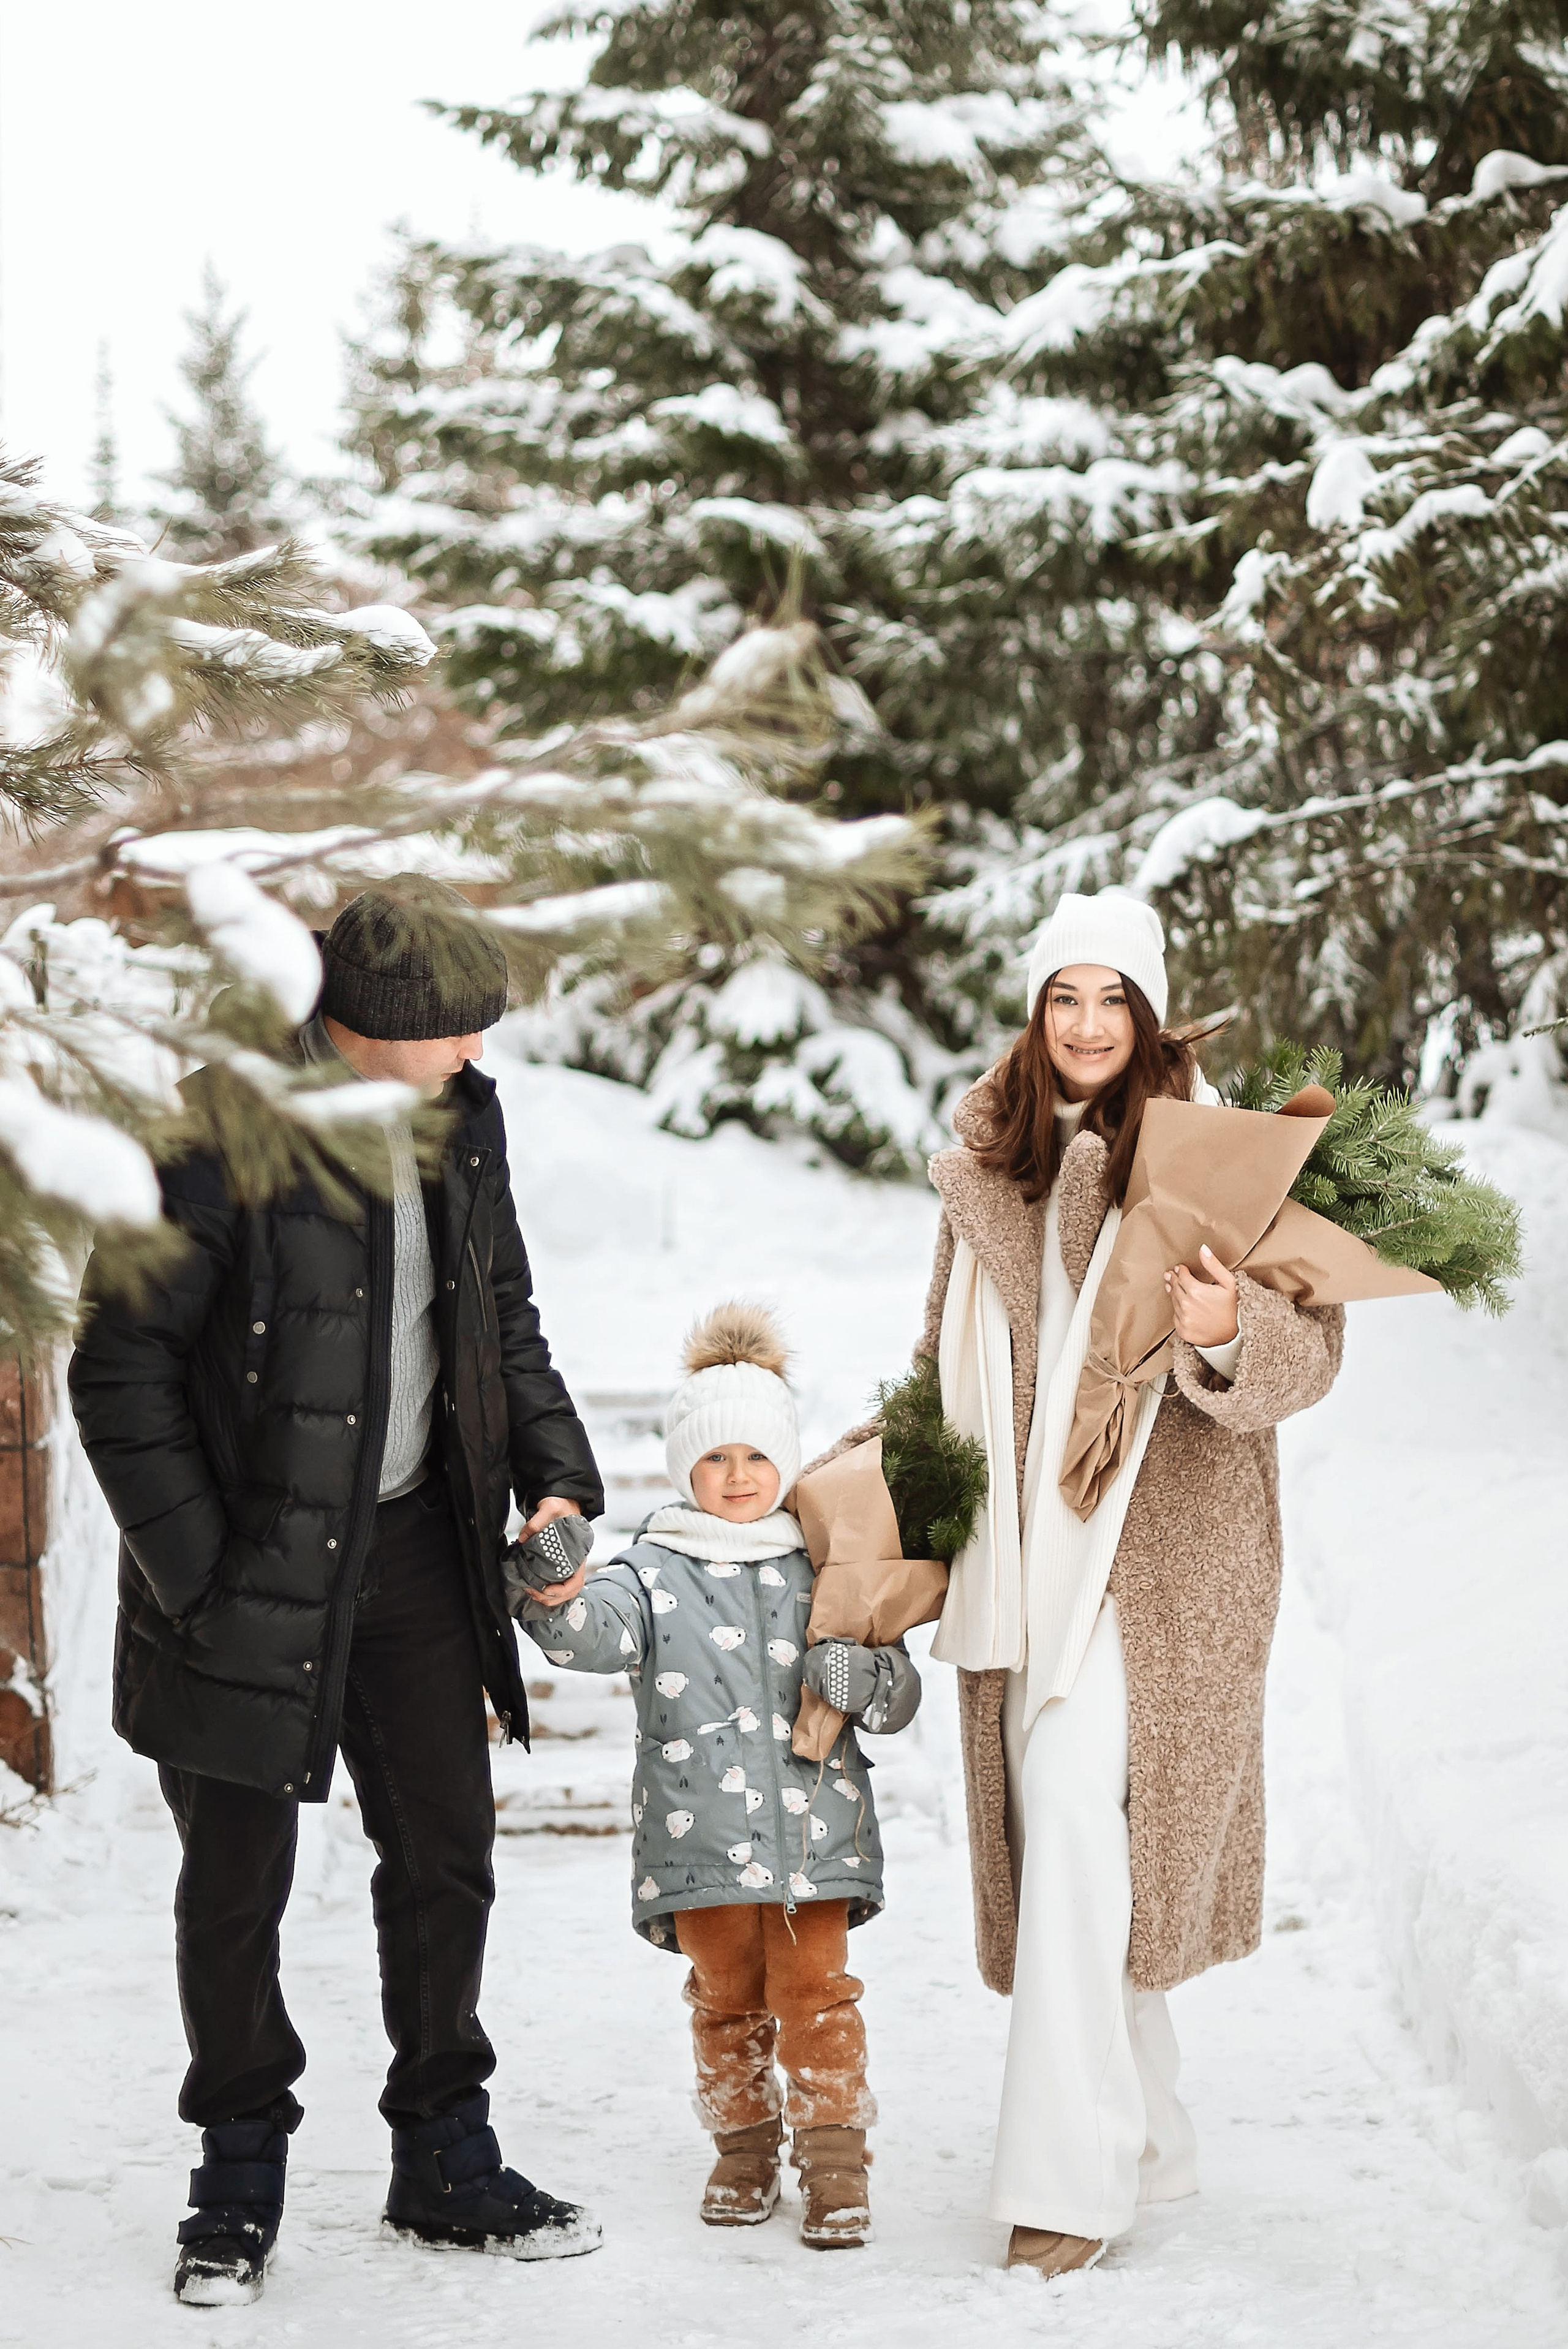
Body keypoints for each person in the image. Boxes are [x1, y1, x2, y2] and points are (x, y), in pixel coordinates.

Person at [68, 882, 606, 2306]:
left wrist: (555, 1474)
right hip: (242, 1570)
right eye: (460, 1022)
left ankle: (444, 2151)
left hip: (416, 1548)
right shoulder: (215, 1130)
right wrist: (199, 1577)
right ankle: (237, 2171)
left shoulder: (461, 1118)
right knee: (233, 1887)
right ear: (375, 1022)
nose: (481, 1047)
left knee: (445, 1853)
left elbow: (501, 1315)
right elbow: (117, 1372)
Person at [914, 890, 1344, 2276]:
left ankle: (1068, 2180)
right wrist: (888, 1478)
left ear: (1149, 1014)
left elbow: (1311, 1355)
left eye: (1113, 998)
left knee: (1072, 1818)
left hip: (1161, 1567)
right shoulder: (992, 1161)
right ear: (1036, 1012)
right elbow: (936, 1357)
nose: (1088, 1024)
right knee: (1076, 1848)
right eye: (1065, 996)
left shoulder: (1221, 1153)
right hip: (1026, 1560)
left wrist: (1228, 1329)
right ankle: (1150, 2135)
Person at [513, 1302, 921, 2250]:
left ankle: (835, 2160)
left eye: (757, 1456)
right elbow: (588, 1637)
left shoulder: (826, 1563)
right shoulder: (652, 1571)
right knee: (727, 2004)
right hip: (698, 1845)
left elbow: (897, 1691)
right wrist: (552, 1590)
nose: (738, 1477)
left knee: (818, 1998)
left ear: (787, 1460)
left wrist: (865, 1678)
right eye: (715, 1458)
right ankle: (743, 2150)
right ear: (683, 1468)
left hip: (816, 1838)